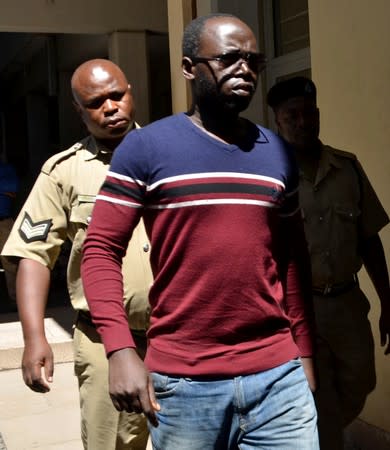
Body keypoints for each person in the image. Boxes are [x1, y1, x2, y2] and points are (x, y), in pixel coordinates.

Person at [81, 14, 319, 450]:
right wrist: (118, 348)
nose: (244, 68)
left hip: (278, 378)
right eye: (229, 58)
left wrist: (303, 352)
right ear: (189, 68)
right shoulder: (146, 147)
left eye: (253, 59)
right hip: (185, 384)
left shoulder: (278, 153)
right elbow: (100, 249)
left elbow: (292, 259)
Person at [1, 59, 153, 450]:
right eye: (96, 102)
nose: (111, 107)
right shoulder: (63, 172)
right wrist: (34, 338)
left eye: (117, 95)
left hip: (179, 338)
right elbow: (34, 255)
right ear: (79, 110)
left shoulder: (171, 155)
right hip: (104, 345)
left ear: (131, 91)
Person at [267, 76, 390, 450]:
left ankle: (326, 433)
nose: (303, 122)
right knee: (320, 395)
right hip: (299, 307)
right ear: (278, 121)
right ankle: (327, 439)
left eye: (309, 114)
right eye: (292, 116)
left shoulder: (347, 168)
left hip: (348, 303)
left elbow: (369, 238)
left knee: (360, 382)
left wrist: (387, 299)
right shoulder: (270, 176)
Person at [0, 159, 19, 306]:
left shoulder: (6, 168)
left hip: (3, 220)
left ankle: (16, 299)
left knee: (10, 260)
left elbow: (12, 190)